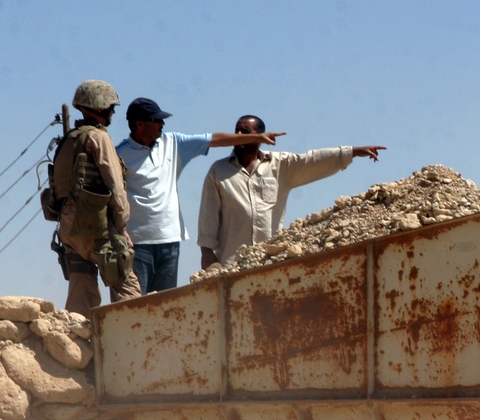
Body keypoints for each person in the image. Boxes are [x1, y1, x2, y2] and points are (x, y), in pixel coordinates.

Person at [116, 98, 286, 293]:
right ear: (140, 124)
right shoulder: (120, 154)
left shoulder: (173, 143)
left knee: (162, 305)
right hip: (136, 243)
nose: (162, 124)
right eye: (157, 120)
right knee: (135, 305)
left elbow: (216, 139)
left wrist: (256, 138)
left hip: (170, 241)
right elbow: (112, 198)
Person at [197, 115, 385, 267]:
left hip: (270, 262)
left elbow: (312, 160)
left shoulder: (279, 165)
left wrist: (351, 152)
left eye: (245, 131)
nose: (238, 134)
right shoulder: (218, 171)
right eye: (236, 130)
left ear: (260, 136)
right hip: (232, 264)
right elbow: (209, 215)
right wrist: (207, 253)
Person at [52, 80, 141, 316]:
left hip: (69, 225)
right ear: (100, 105)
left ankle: (76, 342)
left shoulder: (70, 139)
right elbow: (115, 184)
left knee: (81, 286)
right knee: (125, 282)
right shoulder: (98, 138)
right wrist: (121, 225)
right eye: (111, 107)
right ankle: (131, 338)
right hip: (95, 224)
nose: (113, 112)